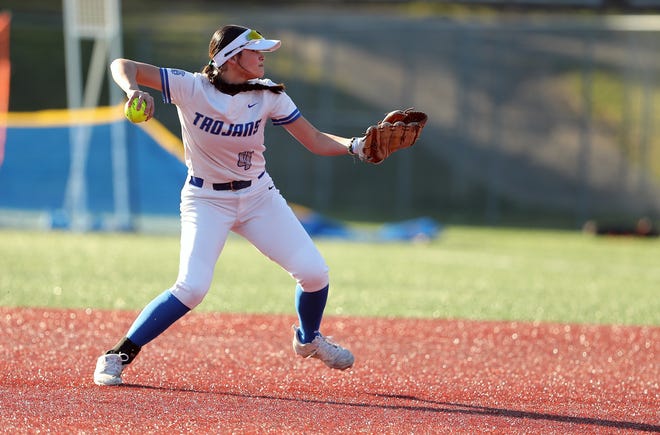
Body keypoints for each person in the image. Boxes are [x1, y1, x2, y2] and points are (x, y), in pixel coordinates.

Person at [93, 25, 368, 386]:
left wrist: (355, 146)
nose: (263, 56)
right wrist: (132, 90)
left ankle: (308, 339)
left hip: (258, 197)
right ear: (231, 57)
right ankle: (118, 354)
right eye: (256, 51)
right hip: (206, 199)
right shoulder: (190, 86)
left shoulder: (269, 94)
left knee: (315, 273)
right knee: (192, 288)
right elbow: (121, 63)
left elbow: (314, 139)